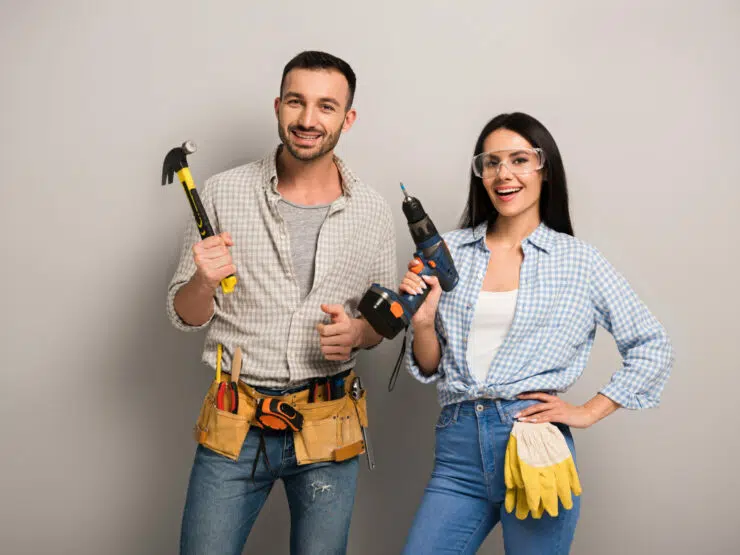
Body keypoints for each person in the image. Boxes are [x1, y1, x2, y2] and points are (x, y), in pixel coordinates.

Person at [398, 112, 673, 554]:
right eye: (491, 162)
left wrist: (586, 412)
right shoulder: (452, 252)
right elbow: (431, 364)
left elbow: (651, 346)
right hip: (457, 450)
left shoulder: (578, 261)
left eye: (519, 160)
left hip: (533, 447)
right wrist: (424, 321)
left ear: (544, 170)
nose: (503, 174)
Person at [168, 51, 396, 555]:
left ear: (347, 118)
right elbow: (185, 315)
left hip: (328, 422)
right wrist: (204, 282)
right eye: (297, 102)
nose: (308, 120)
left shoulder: (374, 213)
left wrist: (359, 333)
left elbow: (381, 321)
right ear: (278, 107)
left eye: (326, 106)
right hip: (234, 422)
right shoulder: (222, 193)